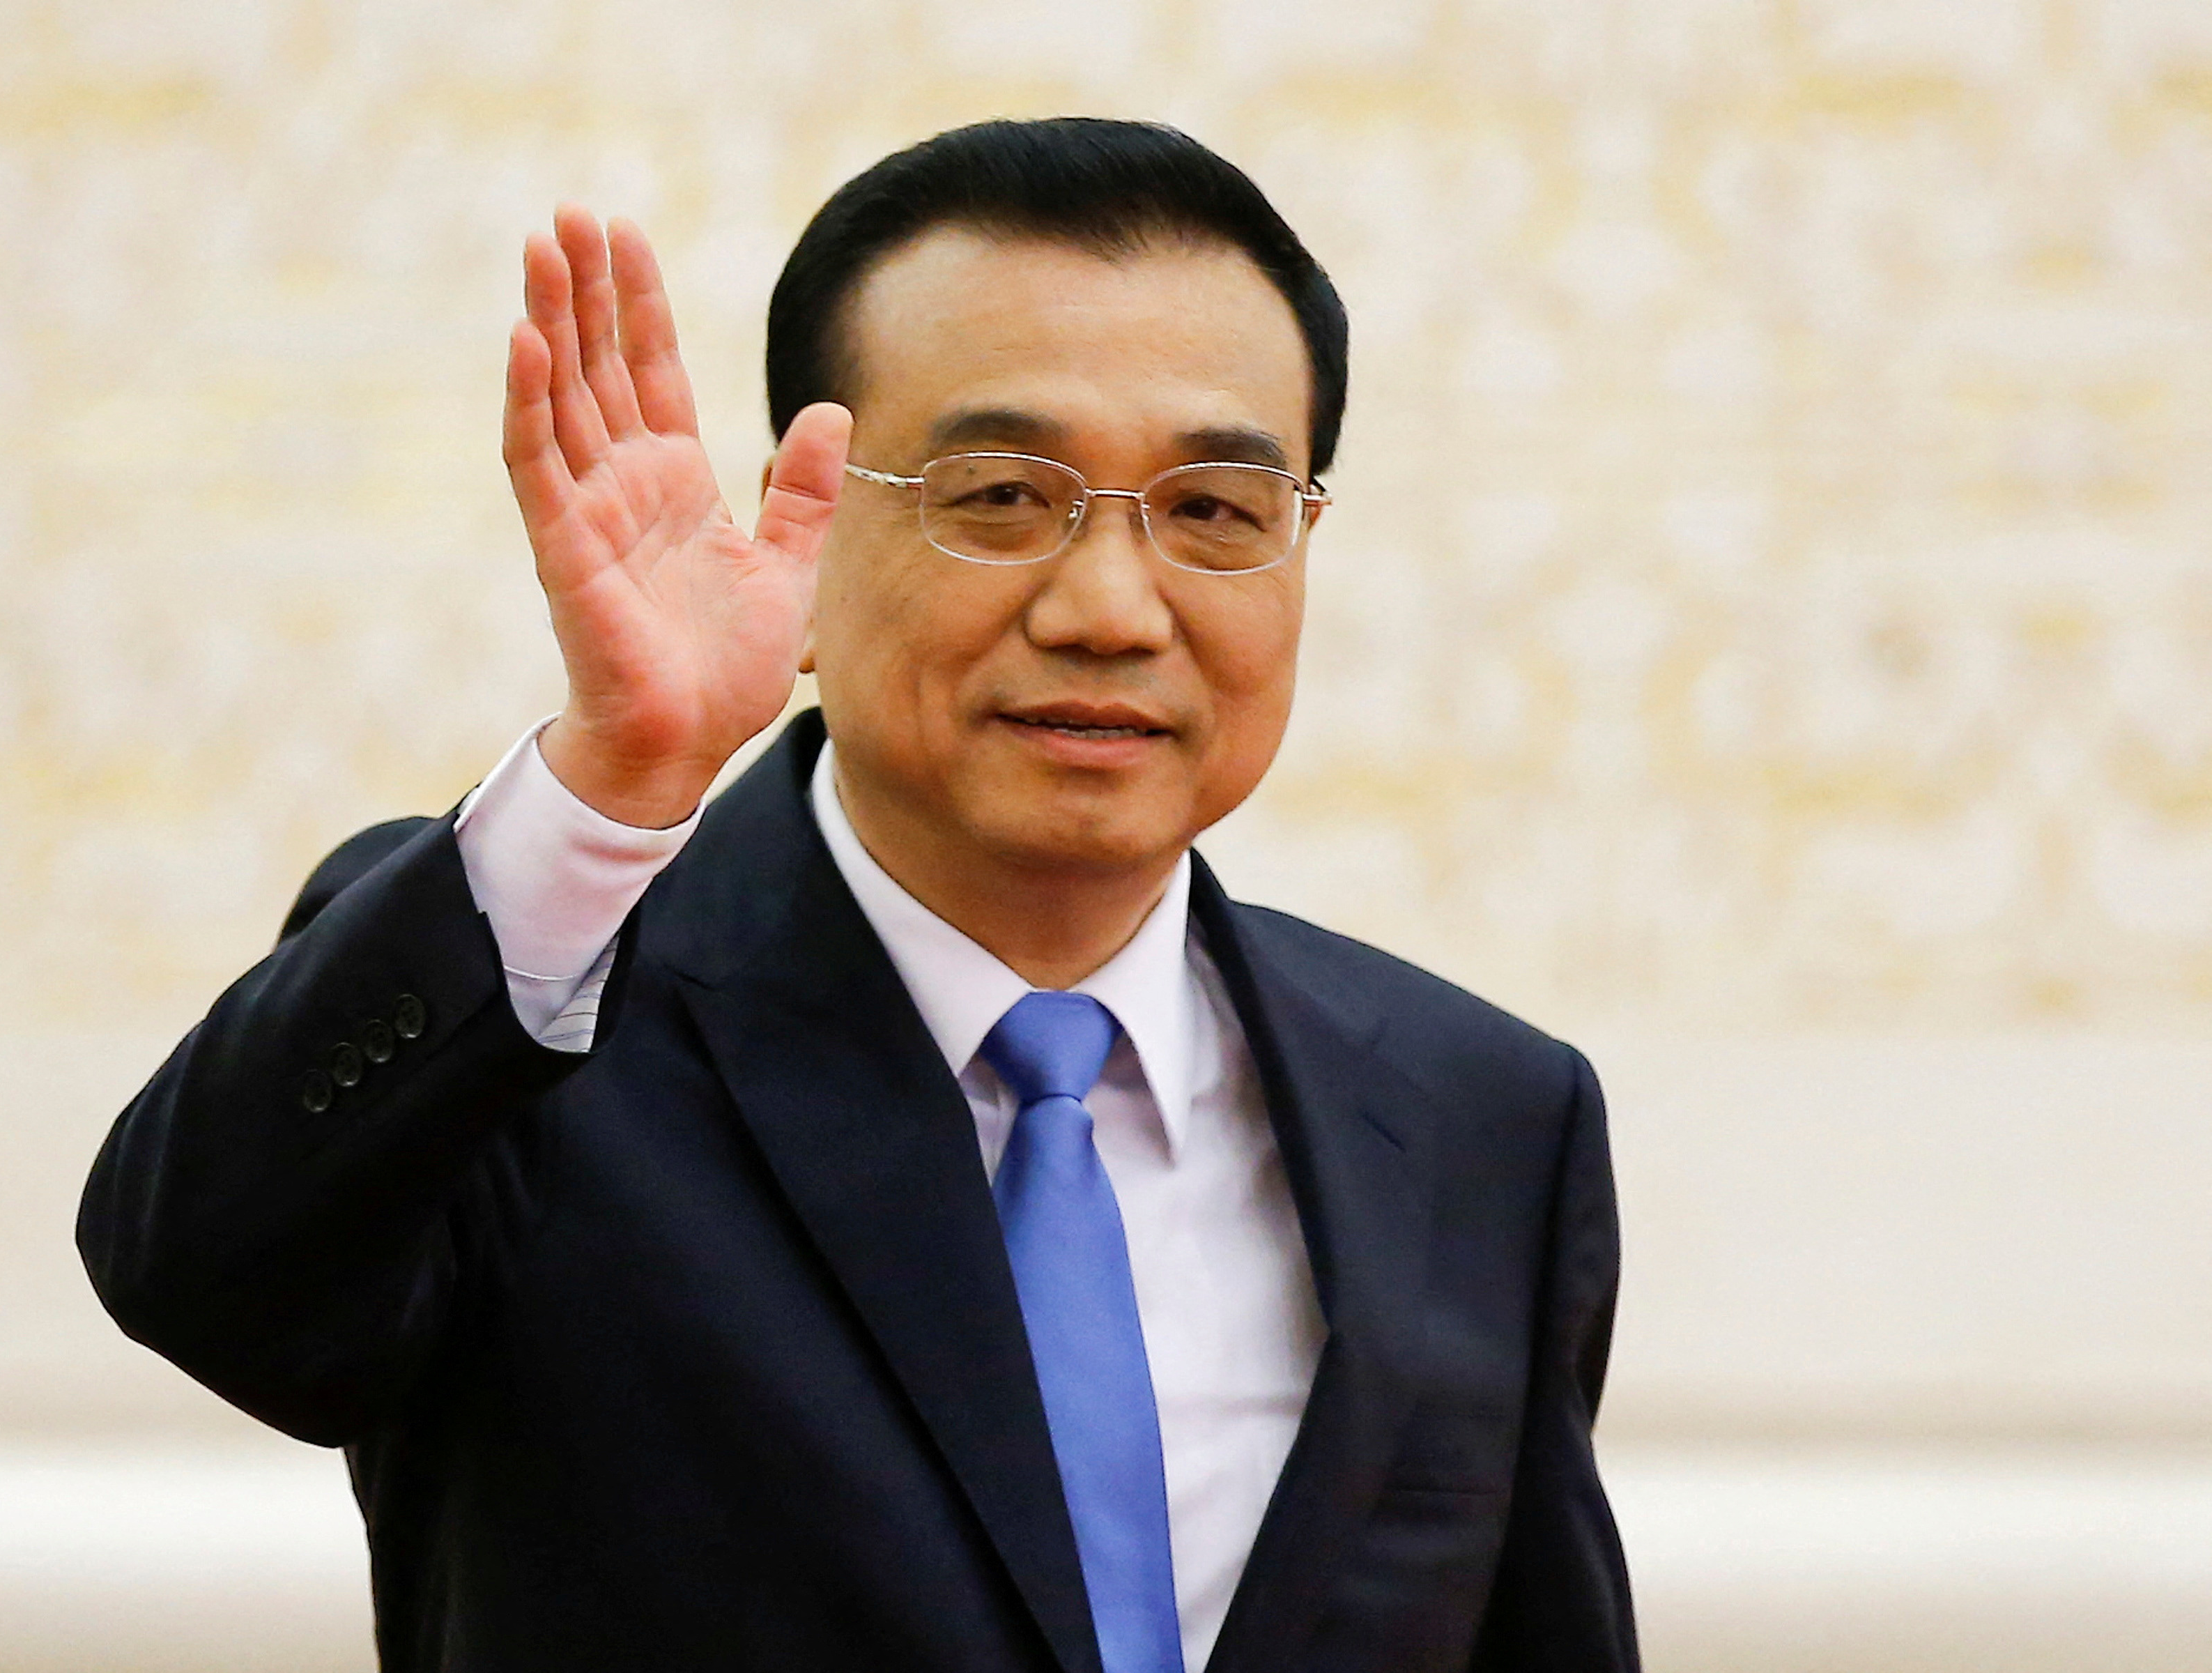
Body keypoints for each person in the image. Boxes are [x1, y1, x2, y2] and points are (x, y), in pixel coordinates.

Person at [79, 117, 1636, 1673]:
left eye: (1214, 512)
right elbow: (207, 1276)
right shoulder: (539, 1018)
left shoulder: (1480, 1117)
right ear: (804, 538)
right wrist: (614, 779)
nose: (1109, 608)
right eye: (1001, 498)